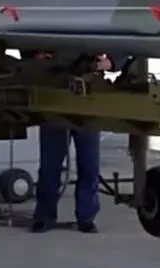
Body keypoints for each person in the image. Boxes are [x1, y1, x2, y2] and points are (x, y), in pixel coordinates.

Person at [30, 53, 115, 234]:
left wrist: (112, 61)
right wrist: (34, 55)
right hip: (55, 91)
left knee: (89, 165)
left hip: (89, 97)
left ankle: (86, 217)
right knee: (50, 165)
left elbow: (123, 46)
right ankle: (44, 216)